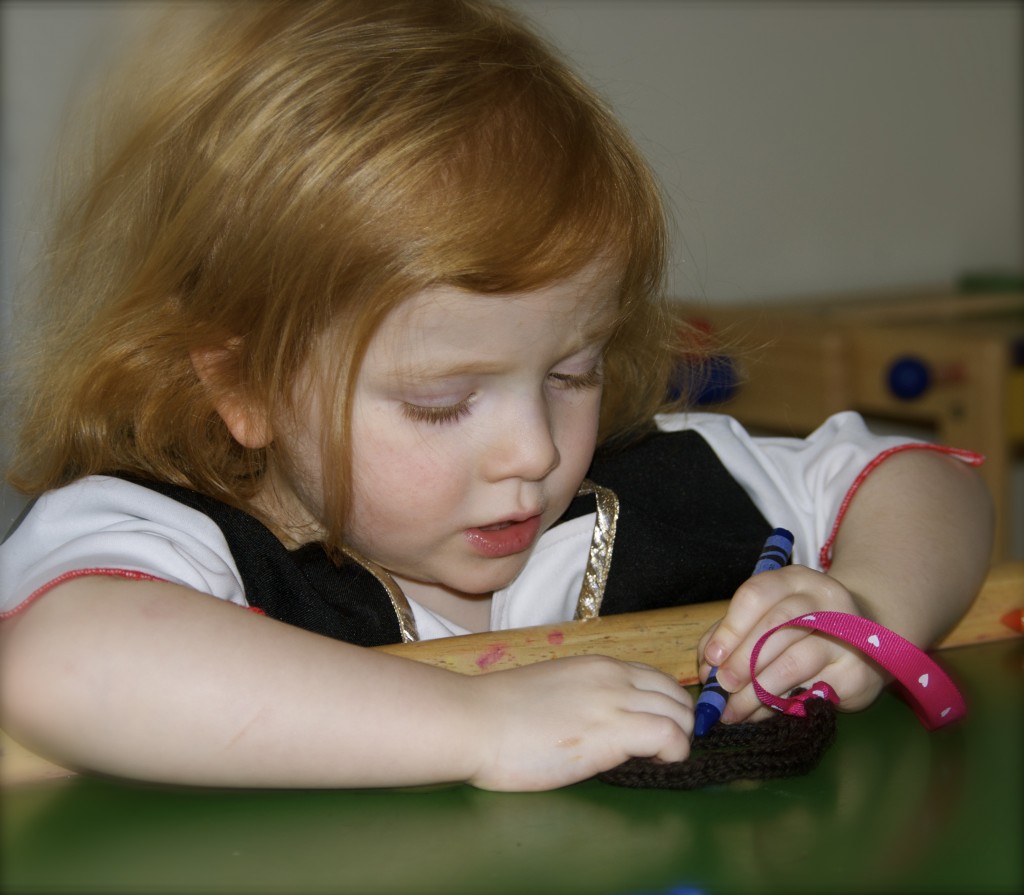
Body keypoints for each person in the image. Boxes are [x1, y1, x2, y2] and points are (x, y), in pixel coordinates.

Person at [0, 0, 992, 791]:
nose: (532, 449)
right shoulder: (171, 537)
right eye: (439, 402)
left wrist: (868, 612)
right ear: (243, 386)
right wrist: (474, 722)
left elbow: (920, 480)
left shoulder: (651, 484)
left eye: (572, 372)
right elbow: (64, 667)